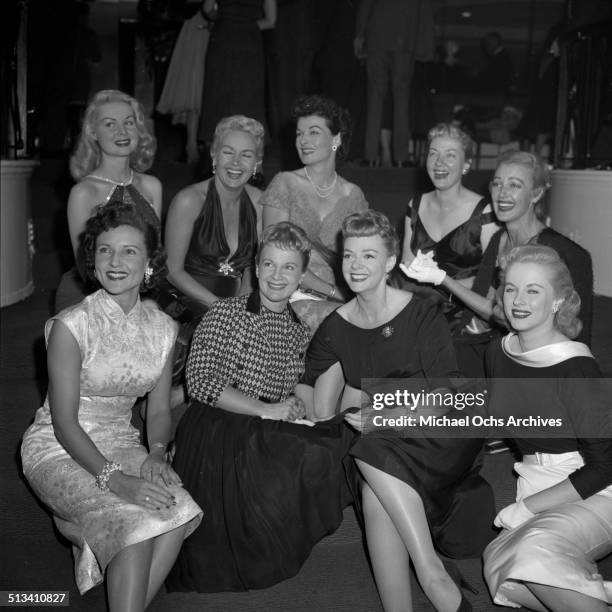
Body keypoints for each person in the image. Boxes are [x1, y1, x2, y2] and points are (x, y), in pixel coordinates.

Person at [299, 210, 495, 612]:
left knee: (373, 447)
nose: (356, 265)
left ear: (389, 262)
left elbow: (449, 397)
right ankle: (428, 583)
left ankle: (429, 571)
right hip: (378, 444)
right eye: (349, 255)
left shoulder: (421, 312)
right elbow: (321, 403)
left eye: (369, 256)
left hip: (439, 431)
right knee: (373, 482)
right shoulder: (335, 327)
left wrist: (381, 410)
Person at [21, 201, 202, 611]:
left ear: (150, 262)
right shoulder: (71, 325)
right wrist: (119, 481)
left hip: (122, 439)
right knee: (136, 522)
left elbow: (157, 412)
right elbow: (64, 423)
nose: (115, 261)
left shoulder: (162, 328)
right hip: (58, 445)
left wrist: (156, 452)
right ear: (93, 259)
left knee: (177, 508)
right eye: (105, 250)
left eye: (129, 251)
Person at [166, 222, 355, 593]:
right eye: (269, 265)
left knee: (335, 438)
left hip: (259, 426)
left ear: (302, 275)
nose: (276, 276)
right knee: (309, 451)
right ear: (256, 268)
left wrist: (296, 408)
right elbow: (202, 382)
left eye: (288, 268)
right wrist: (265, 410)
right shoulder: (226, 313)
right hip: (216, 426)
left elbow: (291, 391)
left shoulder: (298, 328)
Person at [482, 245, 612, 611]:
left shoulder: (575, 366)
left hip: (595, 490)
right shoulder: (498, 351)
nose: (518, 301)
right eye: (510, 288)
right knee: (501, 569)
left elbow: (604, 466)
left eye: (533, 290)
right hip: (534, 479)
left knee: (531, 553)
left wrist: (528, 509)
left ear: (557, 302)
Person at [403, 150, 593, 378]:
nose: (502, 193)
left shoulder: (564, 252)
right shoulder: (498, 239)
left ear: (536, 193)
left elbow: (577, 334)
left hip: (538, 364)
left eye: (514, 185)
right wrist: (441, 277)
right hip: (496, 344)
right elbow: (490, 307)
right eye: (497, 184)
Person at [261, 94, 368, 331]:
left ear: (336, 139)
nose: (304, 141)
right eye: (299, 133)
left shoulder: (353, 195)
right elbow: (274, 260)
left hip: (342, 295)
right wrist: (334, 293)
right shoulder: (284, 184)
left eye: (314, 132)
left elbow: (364, 257)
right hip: (290, 291)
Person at [55, 89, 162, 313]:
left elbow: (154, 253)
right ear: (93, 132)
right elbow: (85, 266)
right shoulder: (83, 192)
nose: (121, 131)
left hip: (144, 288)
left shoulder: (152, 186)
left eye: (129, 122)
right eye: (109, 124)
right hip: (92, 293)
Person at [399, 123, 498, 332]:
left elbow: (491, 278)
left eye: (450, 155)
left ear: (466, 165)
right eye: (433, 154)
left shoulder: (484, 212)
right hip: (418, 309)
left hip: (464, 314)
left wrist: (442, 283)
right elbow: (406, 265)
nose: (439, 163)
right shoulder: (415, 205)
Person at [353, 0, 435, 166]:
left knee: (375, 96)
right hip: (405, 38)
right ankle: (401, 158)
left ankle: (370, 156)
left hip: (377, 36)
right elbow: (424, 9)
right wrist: (425, 46)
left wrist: (359, 35)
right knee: (402, 99)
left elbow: (366, 5)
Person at [197, 0, 276, 147]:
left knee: (218, 100)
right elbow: (271, 21)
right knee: (249, 99)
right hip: (250, 42)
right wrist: (247, 27)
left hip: (224, 38)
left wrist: (224, 19)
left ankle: (218, 157)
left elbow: (207, 9)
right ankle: (251, 157)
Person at [156, 6, 211, 163]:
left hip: (213, 28)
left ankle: (197, 144)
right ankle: (192, 145)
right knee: (194, 87)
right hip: (199, 27)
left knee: (203, 88)